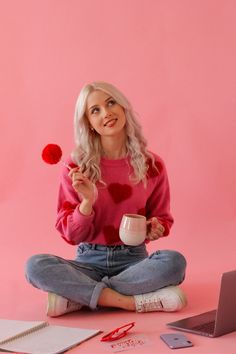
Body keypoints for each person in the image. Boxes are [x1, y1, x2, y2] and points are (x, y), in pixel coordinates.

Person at [25, 81, 187, 317]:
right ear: (88, 123)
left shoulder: (153, 165)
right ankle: (131, 301)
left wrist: (155, 227)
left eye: (111, 103)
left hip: (134, 261)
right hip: (88, 261)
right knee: (35, 266)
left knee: (175, 262)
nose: (107, 113)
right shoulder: (75, 167)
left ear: (123, 108)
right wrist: (86, 203)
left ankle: (81, 298)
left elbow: (162, 218)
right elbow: (71, 235)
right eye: (95, 110)